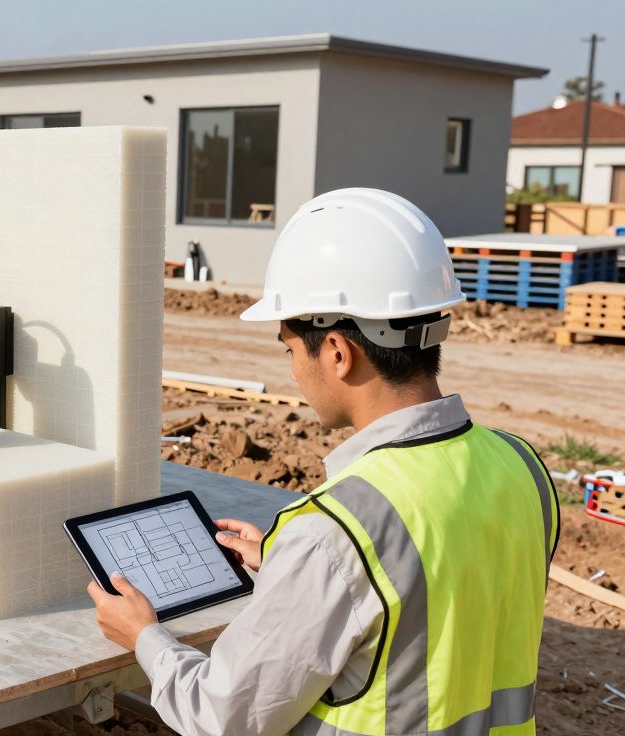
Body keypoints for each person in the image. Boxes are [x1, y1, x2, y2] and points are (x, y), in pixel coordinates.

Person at [88, 188, 558, 735]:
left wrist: (144, 635)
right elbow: (446, 592)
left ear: (337, 352)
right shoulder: (522, 466)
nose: (292, 370)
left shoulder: (335, 533)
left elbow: (223, 716)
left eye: (289, 348)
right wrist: (302, 575)